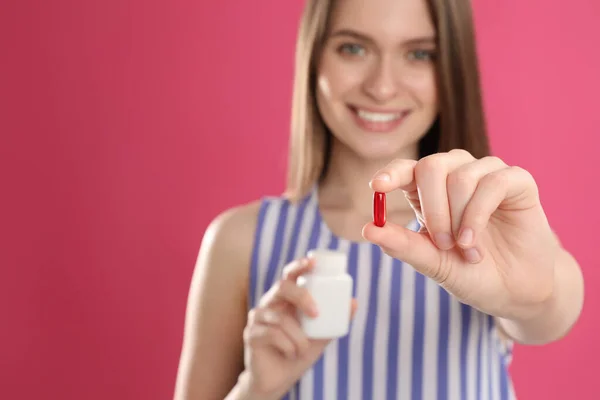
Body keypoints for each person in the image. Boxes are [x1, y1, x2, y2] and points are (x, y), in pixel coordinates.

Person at [173, 0, 585, 398]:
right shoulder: (241, 242)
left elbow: (548, 303)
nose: (382, 87)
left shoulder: (484, 226)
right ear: (314, 55)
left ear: (451, 69)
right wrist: (255, 390)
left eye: (420, 54)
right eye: (353, 48)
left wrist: (532, 298)